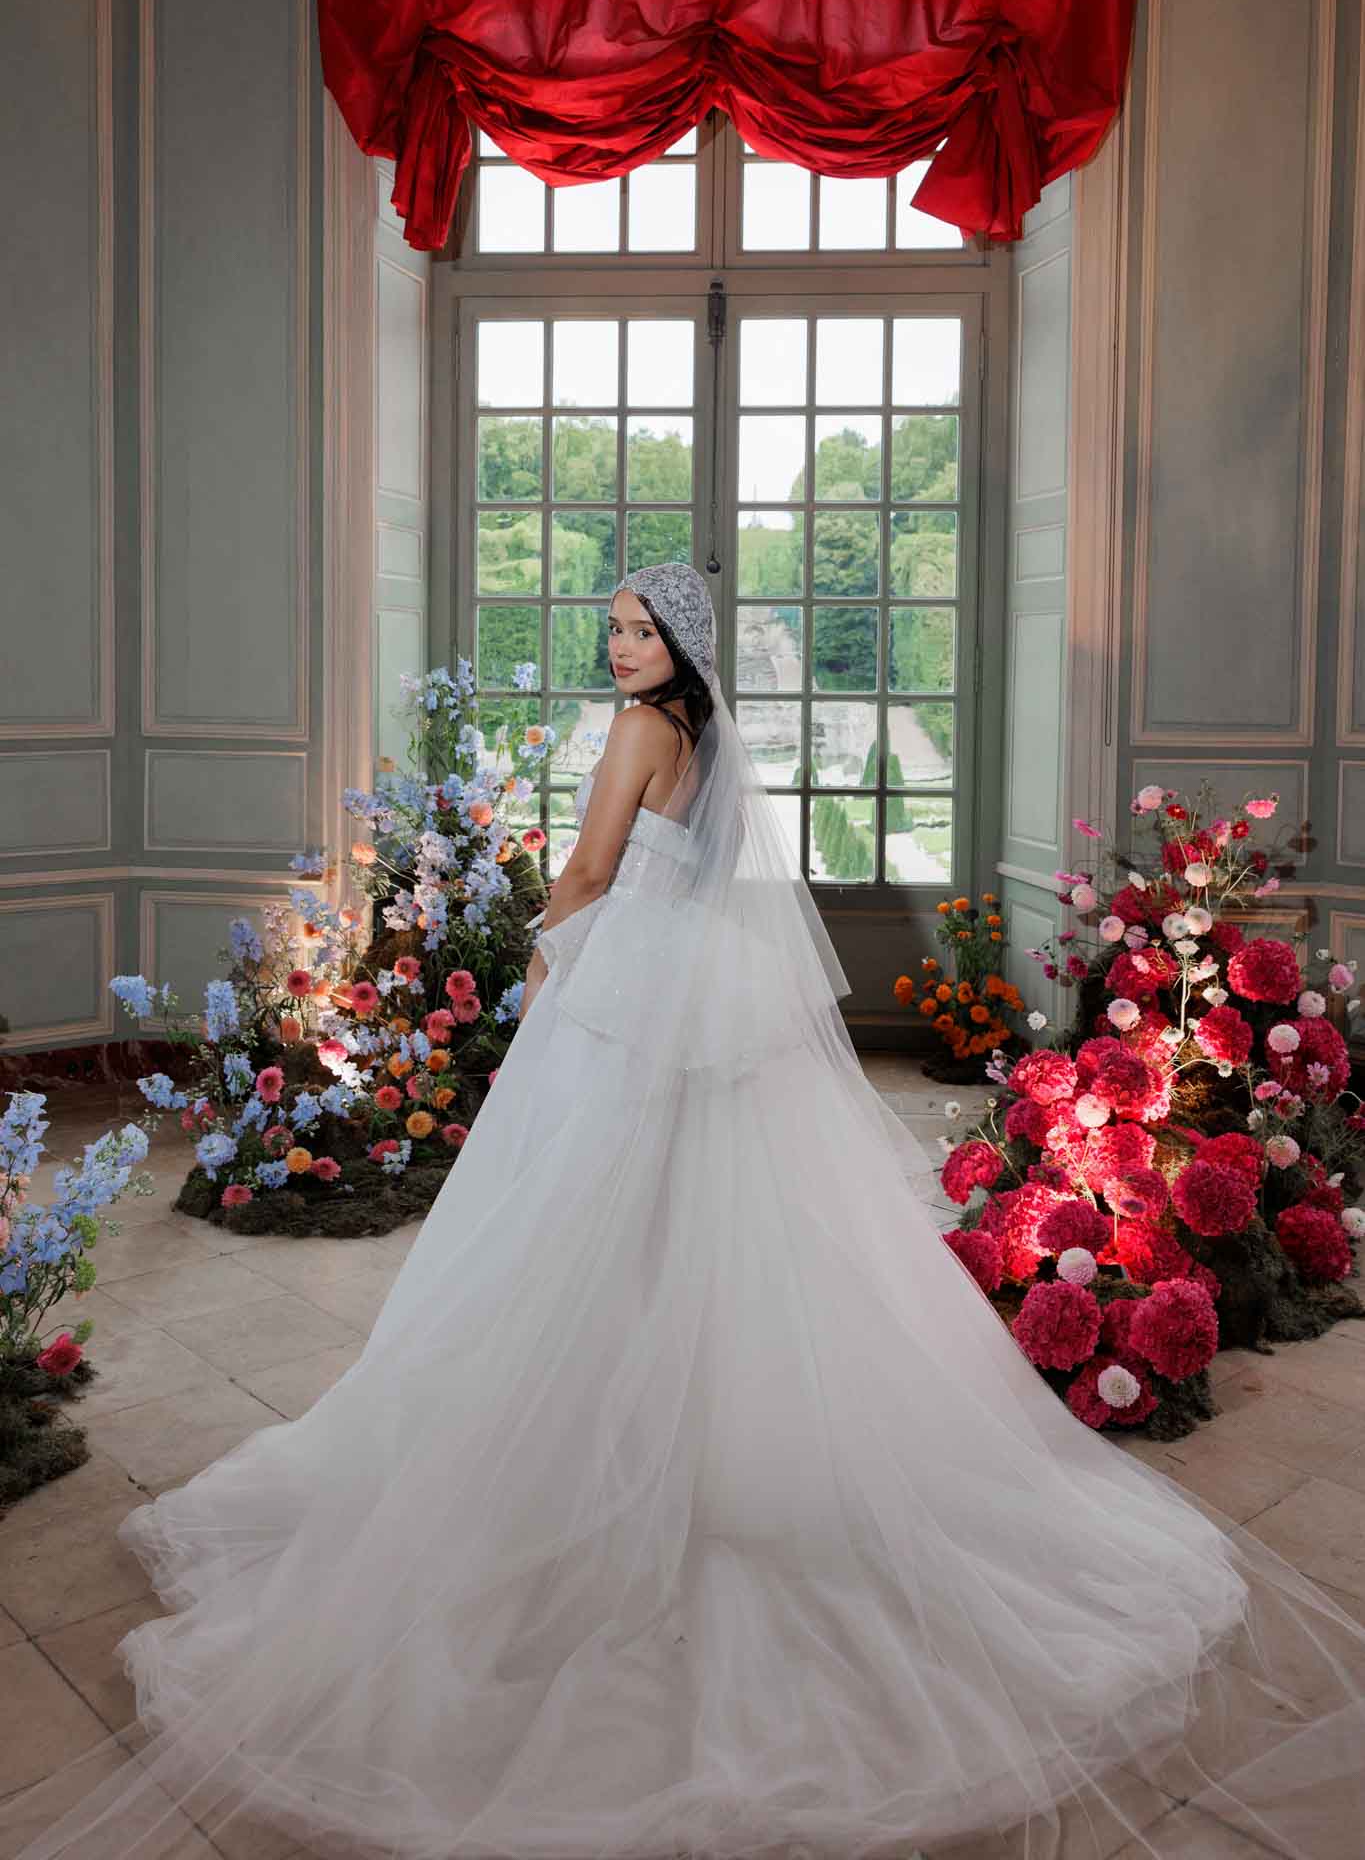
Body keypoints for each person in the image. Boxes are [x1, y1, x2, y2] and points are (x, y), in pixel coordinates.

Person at [8, 562, 1365, 1860]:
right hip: (700, 981)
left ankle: (594, 1448)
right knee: (695, 1220)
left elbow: (590, 870)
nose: (617, 650)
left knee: (576, 1221)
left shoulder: (636, 729)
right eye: (611, 631)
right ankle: (684, 1423)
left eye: (637, 632)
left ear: (677, 649)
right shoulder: (709, 737)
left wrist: (541, 977)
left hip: (625, 985)